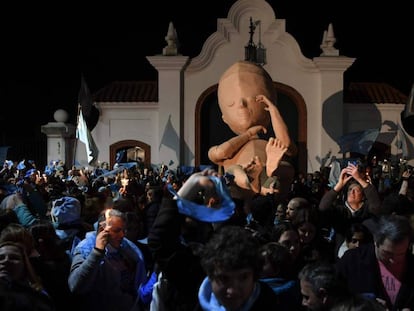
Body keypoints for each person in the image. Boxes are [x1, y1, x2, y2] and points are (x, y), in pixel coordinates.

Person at [208, 60, 297, 200]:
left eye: (252, 99)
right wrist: (248, 134)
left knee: (285, 168)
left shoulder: (269, 145)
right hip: (242, 184)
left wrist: (273, 110)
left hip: (269, 176)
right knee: (234, 172)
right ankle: (252, 182)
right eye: (231, 104)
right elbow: (221, 152)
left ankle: (269, 175)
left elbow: (286, 145)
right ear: (224, 118)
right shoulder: (225, 150)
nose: (242, 105)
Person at [68, 208, 147, 311]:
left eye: (123, 230)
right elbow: (76, 286)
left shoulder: (127, 247)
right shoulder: (85, 248)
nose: (122, 235)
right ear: (102, 229)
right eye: (117, 231)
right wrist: (97, 253)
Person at [336, 214, 414, 310]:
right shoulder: (352, 261)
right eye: (387, 253)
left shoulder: (411, 264)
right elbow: (335, 300)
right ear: (376, 241)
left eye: (401, 254)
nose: (393, 260)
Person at [195, 225, 279, 310]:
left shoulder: (270, 304)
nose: (232, 291)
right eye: (223, 278)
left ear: (254, 277)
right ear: (210, 277)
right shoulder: (193, 303)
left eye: (243, 277)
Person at [318, 162, 382, 252]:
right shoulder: (340, 210)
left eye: (356, 190)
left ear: (363, 196)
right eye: (350, 189)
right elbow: (323, 208)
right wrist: (340, 184)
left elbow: (376, 205)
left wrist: (360, 180)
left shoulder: (367, 209)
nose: (352, 192)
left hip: (365, 252)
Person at [0, 241, 56, 311]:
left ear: (25, 266)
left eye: (14, 258)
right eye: (0, 258)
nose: (6, 260)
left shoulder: (39, 300)